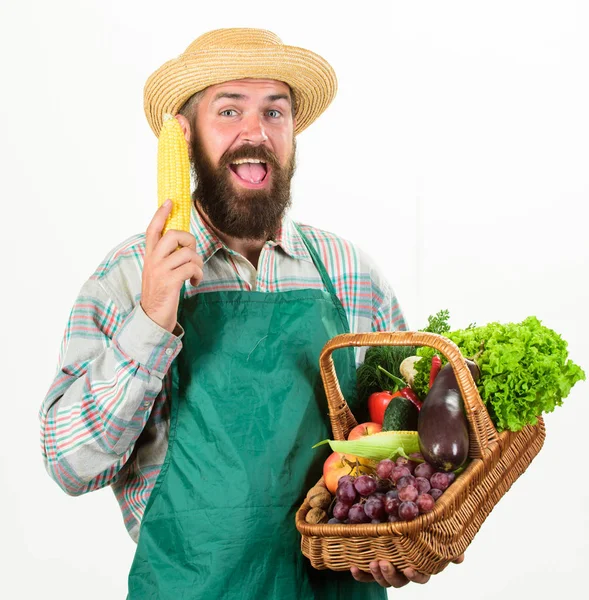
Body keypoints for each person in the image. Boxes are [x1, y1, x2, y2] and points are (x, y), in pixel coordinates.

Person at [39, 28, 459, 599]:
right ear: (185, 138)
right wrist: (150, 320)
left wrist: (406, 542)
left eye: (274, 112)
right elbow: (70, 465)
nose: (254, 133)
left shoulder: (348, 272)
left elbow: (409, 439)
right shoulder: (126, 277)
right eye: (229, 110)